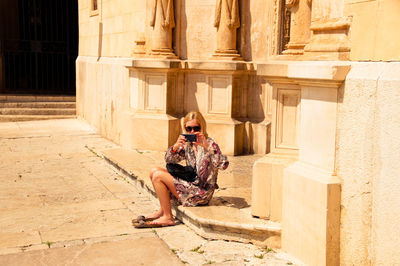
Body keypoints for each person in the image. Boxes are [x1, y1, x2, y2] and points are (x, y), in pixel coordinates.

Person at [133, 111, 229, 228]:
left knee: (158, 176)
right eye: (189, 129)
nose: (192, 132)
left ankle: (168, 217)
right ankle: (162, 211)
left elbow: (223, 165)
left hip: (201, 193)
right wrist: (175, 146)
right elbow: (169, 159)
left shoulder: (210, 143)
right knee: (154, 170)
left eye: (196, 128)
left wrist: (207, 148)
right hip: (190, 184)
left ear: (202, 127)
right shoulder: (188, 145)